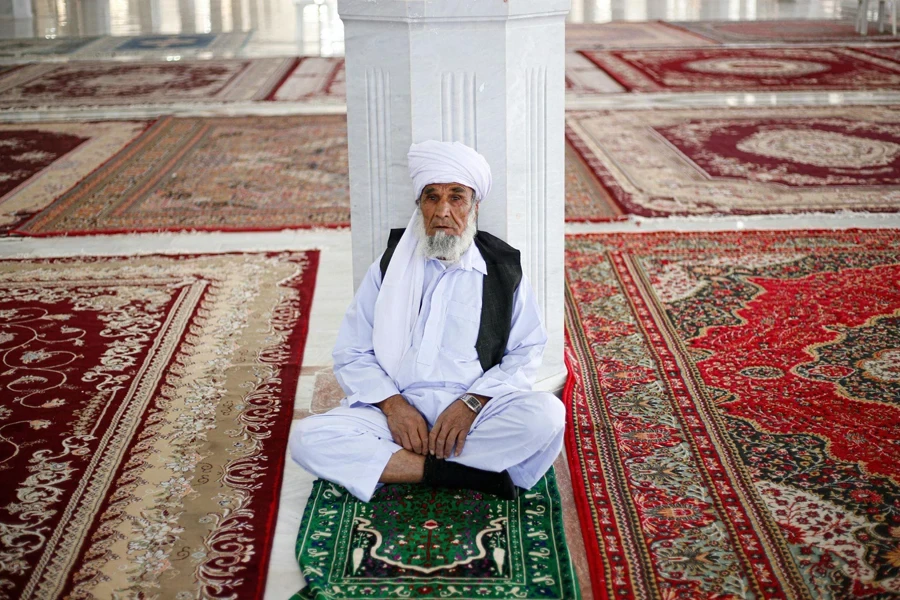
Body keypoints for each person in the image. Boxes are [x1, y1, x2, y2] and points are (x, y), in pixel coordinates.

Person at [289, 140, 564, 502]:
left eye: (457, 197)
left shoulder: (502, 269)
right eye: (431, 197)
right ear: (419, 206)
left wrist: (472, 402)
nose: (443, 211)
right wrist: (394, 407)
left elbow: (526, 350)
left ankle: (406, 468)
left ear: (475, 206)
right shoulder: (390, 267)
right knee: (308, 440)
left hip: (476, 411)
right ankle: (462, 474)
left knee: (545, 415)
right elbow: (352, 351)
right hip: (398, 409)